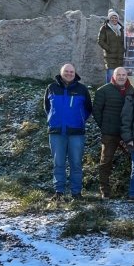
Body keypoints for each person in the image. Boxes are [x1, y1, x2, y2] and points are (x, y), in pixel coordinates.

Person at [44, 64, 92, 201]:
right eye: (66, 71)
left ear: (75, 73)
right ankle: (59, 192)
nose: (69, 74)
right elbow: (47, 107)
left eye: (72, 71)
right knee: (58, 163)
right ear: (61, 72)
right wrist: (53, 120)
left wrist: (78, 120)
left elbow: (88, 108)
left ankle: (76, 193)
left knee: (76, 163)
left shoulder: (82, 89)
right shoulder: (51, 88)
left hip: (76, 133)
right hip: (56, 132)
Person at [92, 67, 134, 199]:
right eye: (119, 75)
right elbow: (96, 111)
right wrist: (105, 126)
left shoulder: (132, 90)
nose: (121, 77)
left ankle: (133, 190)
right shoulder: (103, 91)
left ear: (126, 76)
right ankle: (104, 190)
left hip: (128, 132)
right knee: (106, 161)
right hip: (110, 133)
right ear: (114, 76)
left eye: (123, 75)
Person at [97, 9, 125, 83]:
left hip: (120, 57)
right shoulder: (105, 28)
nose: (114, 19)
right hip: (110, 57)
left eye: (115, 18)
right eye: (112, 18)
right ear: (109, 18)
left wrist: (123, 50)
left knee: (118, 77)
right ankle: (108, 89)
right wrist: (109, 49)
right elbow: (100, 41)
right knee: (110, 76)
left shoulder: (121, 29)